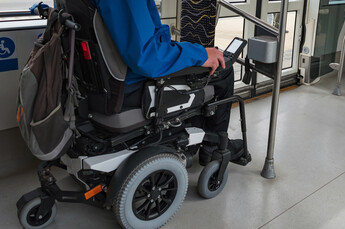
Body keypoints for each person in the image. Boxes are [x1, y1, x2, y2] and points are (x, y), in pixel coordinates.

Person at [91, 0, 245, 165]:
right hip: (133, 83)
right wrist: (201, 54)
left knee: (198, 60)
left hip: (106, 80)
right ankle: (215, 147)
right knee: (223, 72)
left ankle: (198, 139)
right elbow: (148, 58)